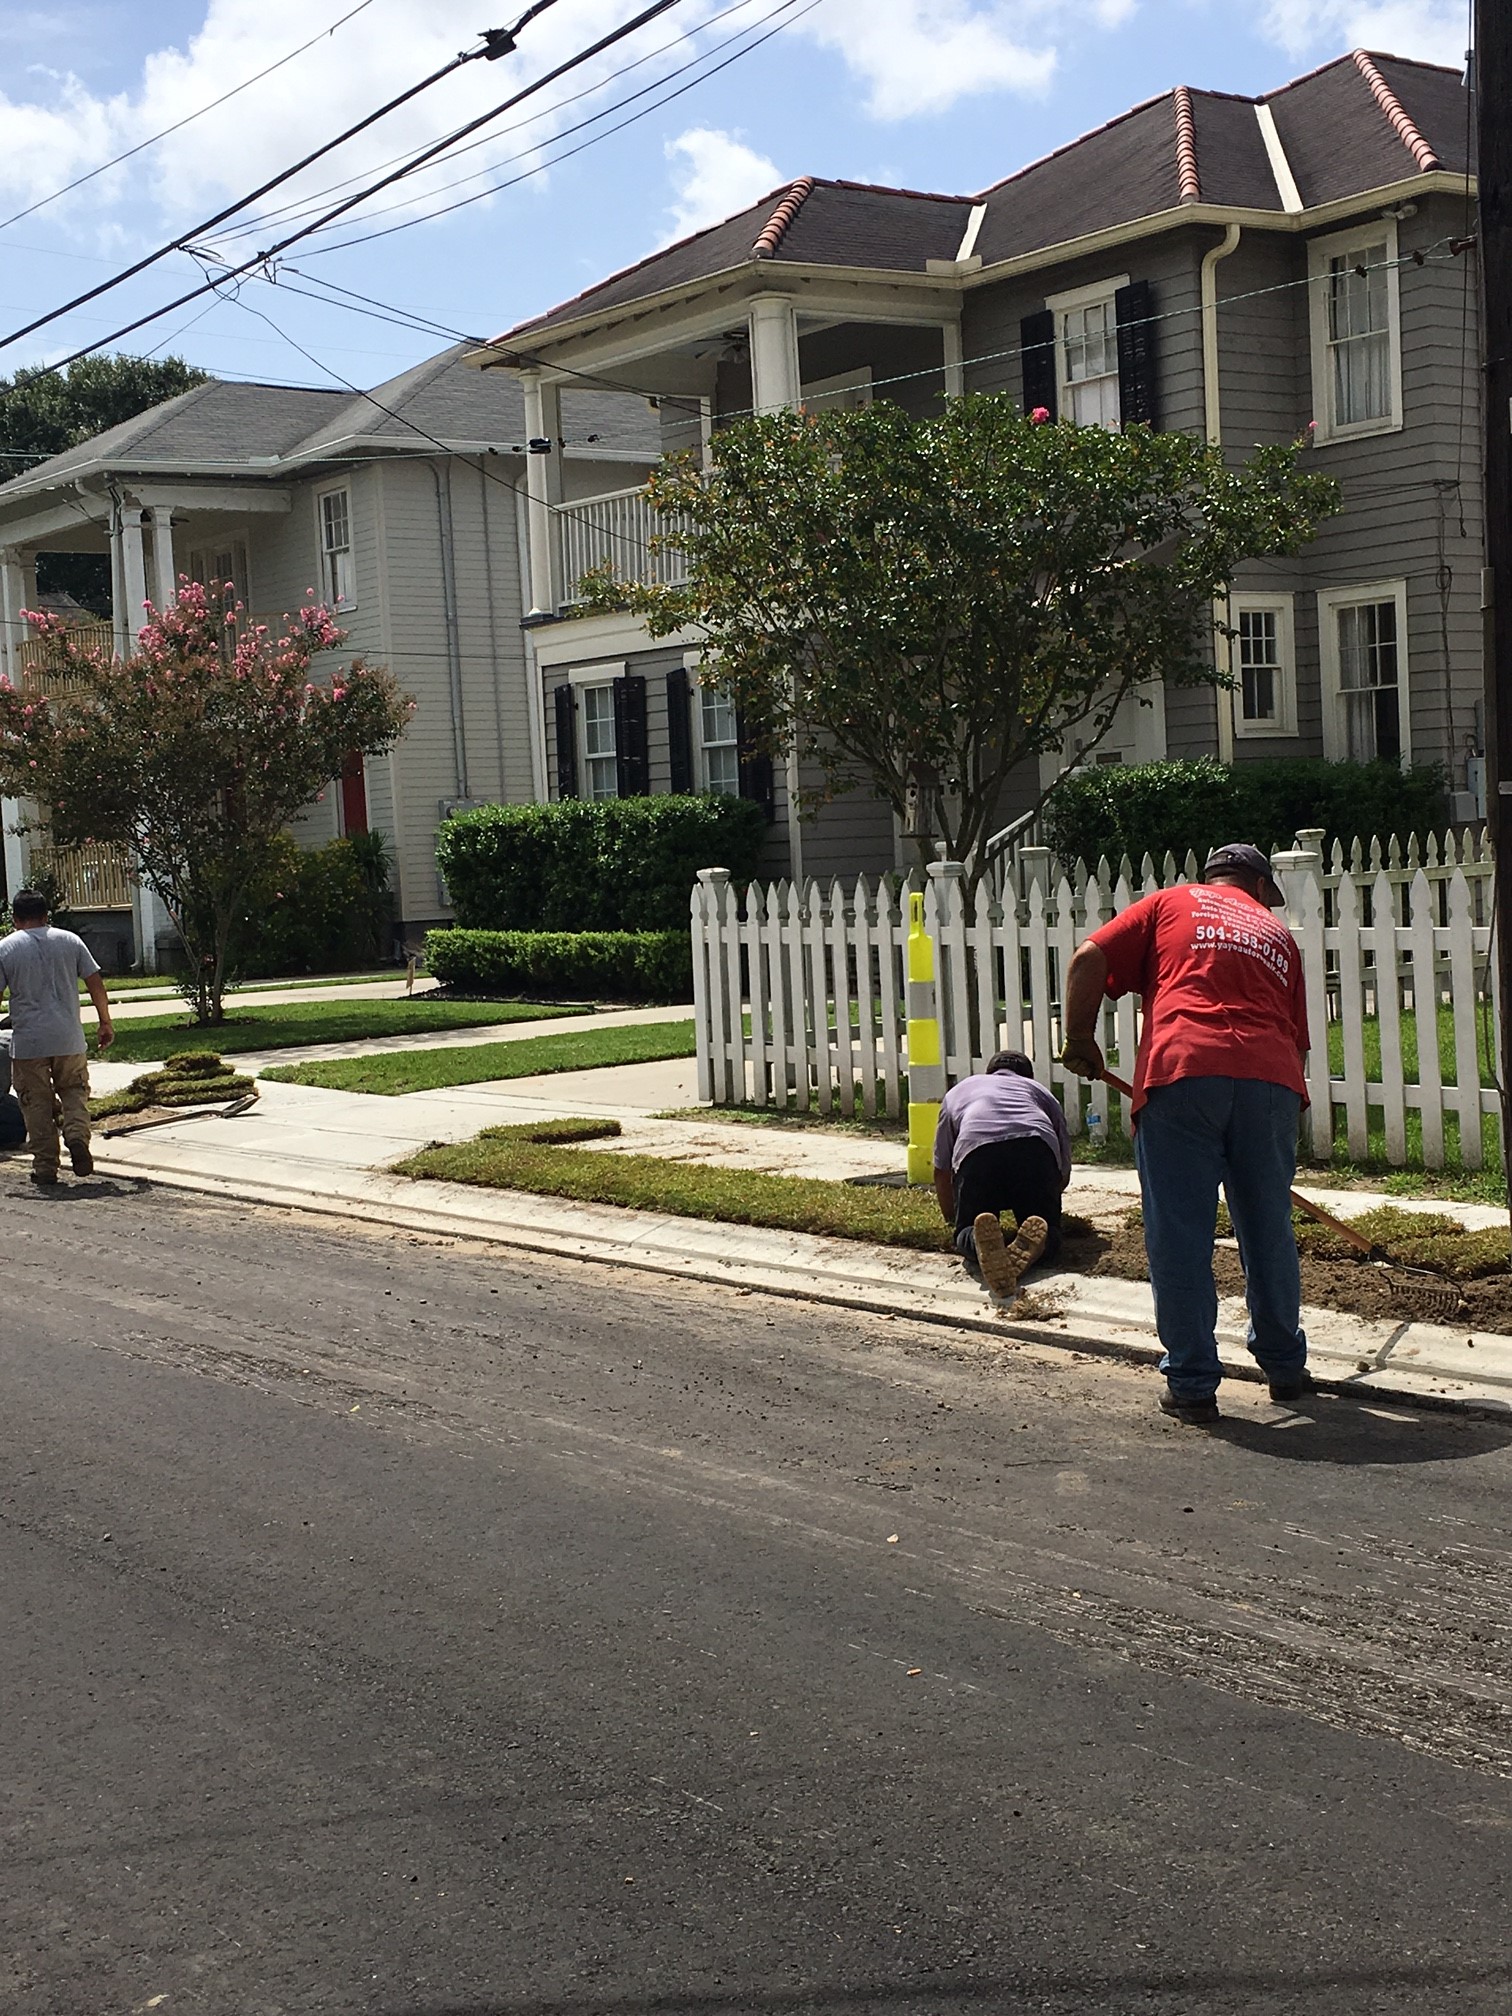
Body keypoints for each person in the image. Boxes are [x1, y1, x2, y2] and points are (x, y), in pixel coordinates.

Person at [1060, 842, 1311, 1424]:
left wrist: (1079, 1037)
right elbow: (1296, 1040)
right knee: (1268, 1227)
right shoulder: (1278, 935)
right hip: (1270, 1082)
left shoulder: (1169, 902)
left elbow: (1088, 958)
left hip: (1183, 1072)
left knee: (1180, 1233)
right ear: (1261, 889)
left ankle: (1194, 1382)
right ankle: (1284, 1367)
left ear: (1212, 879)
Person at [933, 1049, 1071, 1298]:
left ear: (989, 1072)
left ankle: (976, 1240)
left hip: (979, 1151)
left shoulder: (961, 1090)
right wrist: (1045, 1197)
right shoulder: (1040, 1092)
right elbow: (1063, 1172)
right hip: (1034, 1149)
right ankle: (1040, 1246)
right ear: (1028, 1077)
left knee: (965, 1229)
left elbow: (941, 1169)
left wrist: (954, 1218)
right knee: (1049, 1230)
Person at [0, 889, 114, 1186]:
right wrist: (105, 1022)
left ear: (14, 919)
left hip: (29, 1043)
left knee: (35, 1102)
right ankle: (76, 1138)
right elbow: (95, 983)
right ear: (46, 916)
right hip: (69, 1037)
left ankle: (46, 1167)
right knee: (74, 1092)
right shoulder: (70, 941)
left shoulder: (6, 949)